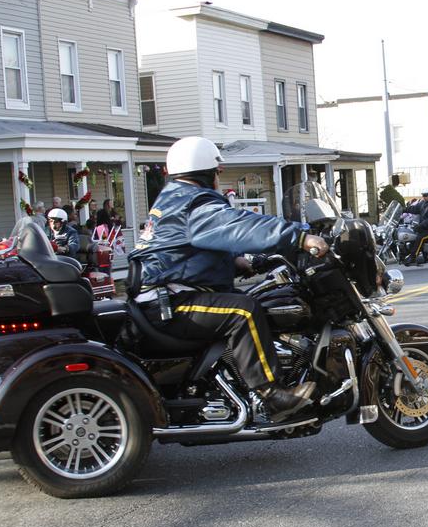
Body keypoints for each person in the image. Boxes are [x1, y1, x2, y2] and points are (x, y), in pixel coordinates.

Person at [129, 136, 329, 422]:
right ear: (207, 172)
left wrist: (239, 262)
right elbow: (237, 224)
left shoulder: (175, 196)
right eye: (218, 171)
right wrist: (299, 236)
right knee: (244, 310)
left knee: (254, 297)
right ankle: (273, 396)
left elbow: (187, 249)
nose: (219, 177)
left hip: (166, 295)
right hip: (170, 301)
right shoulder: (194, 201)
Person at [402, 187, 428, 264]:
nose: (423, 197)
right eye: (423, 195)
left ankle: (413, 257)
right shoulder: (423, 203)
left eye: (425, 195)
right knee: (413, 234)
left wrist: (420, 226)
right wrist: (403, 209)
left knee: (420, 238)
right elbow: (415, 209)